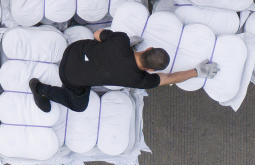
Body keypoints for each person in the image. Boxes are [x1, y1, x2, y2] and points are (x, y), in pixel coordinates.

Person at [29, 28, 218, 112]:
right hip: (69, 77)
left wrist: (117, 45)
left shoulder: (121, 40)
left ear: (148, 48)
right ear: (150, 70)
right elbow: (168, 78)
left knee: (96, 60)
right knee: (79, 105)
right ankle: (40, 90)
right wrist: (197, 72)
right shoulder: (139, 80)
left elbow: (97, 34)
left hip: (73, 50)